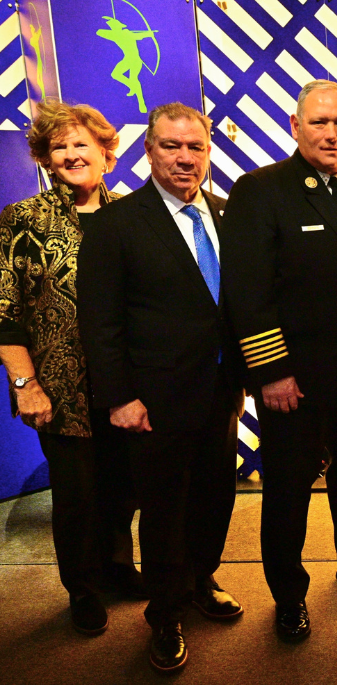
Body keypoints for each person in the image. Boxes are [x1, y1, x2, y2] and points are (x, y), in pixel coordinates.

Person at [77, 103, 245, 673]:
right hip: (153, 402)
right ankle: (166, 614)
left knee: (215, 496)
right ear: (149, 151)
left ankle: (200, 581)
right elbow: (99, 323)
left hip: (222, 391)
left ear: (208, 152)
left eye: (195, 147)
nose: (184, 157)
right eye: (171, 146)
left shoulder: (226, 214)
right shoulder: (116, 225)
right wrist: (120, 398)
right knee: (165, 510)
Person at [220, 80, 337, 643]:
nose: (331, 134)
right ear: (295, 126)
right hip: (294, 376)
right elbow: (247, 292)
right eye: (319, 122)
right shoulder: (261, 190)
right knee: (289, 491)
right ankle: (289, 594)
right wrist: (270, 372)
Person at [0, 101, 142, 635]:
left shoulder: (133, 213)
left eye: (82, 143)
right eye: (59, 147)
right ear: (45, 158)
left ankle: (118, 568)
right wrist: (25, 384)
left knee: (123, 486)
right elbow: (4, 311)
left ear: (106, 152)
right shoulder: (22, 219)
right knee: (78, 496)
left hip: (126, 383)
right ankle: (83, 589)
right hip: (58, 388)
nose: (72, 154)